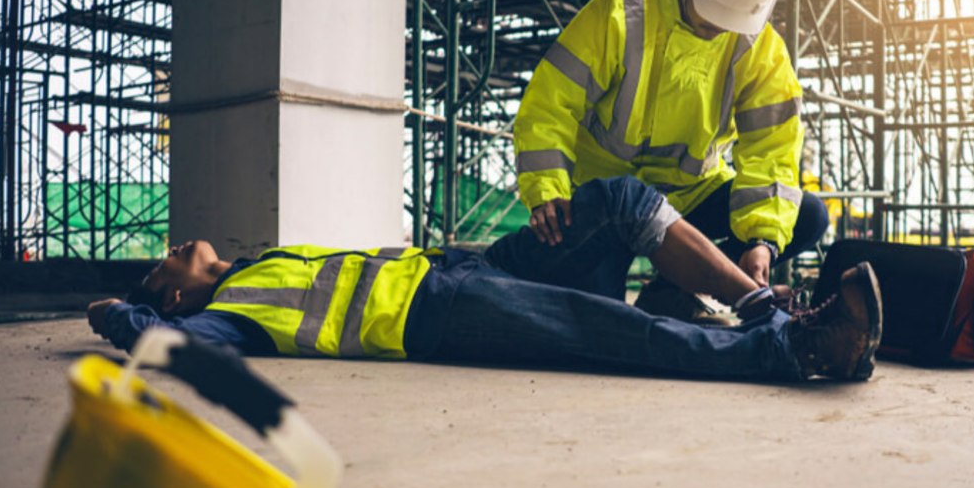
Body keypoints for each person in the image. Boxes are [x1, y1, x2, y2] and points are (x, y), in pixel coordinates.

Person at [88, 177, 883, 383]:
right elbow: (165, 343)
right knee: (614, 334)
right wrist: (118, 312)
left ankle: (755, 305)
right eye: (162, 263)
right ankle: (797, 349)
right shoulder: (227, 314)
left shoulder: (258, 262)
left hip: (455, 268)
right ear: (175, 291)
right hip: (438, 315)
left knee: (613, 204)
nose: (176, 243)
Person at [512, 0, 829, 320]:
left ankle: (670, 290)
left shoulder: (761, 52)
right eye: (708, 14)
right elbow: (549, 104)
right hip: (609, 205)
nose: (716, 28)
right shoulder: (622, 12)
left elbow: (772, 152)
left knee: (809, 215)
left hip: (690, 200)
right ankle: (638, 281)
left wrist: (761, 240)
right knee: (598, 315)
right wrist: (547, 191)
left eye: (729, 21)